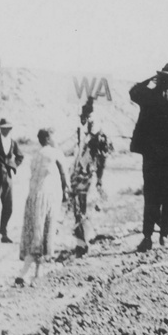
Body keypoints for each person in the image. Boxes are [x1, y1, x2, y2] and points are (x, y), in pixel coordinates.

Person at [129, 63, 168, 251]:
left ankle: (147, 237)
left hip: (152, 154)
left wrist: (150, 79)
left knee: (151, 195)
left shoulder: (148, 95)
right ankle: (165, 234)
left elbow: (133, 91)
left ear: (161, 78)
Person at [16, 129, 68, 286]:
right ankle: (24, 273)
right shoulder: (56, 153)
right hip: (48, 197)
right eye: (53, 136)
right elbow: (65, 175)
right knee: (44, 234)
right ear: (48, 138)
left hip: (33, 196)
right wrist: (67, 193)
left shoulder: (36, 154)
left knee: (34, 232)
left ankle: (38, 273)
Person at [70, 97, 111, 256]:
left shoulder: (97, 137)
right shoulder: (82, 134)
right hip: (80, 173)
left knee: (84, 208)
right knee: (79, 208)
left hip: (88, 174)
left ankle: (85, 241)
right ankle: (81, 241)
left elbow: (101, 158)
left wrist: (99, 178)